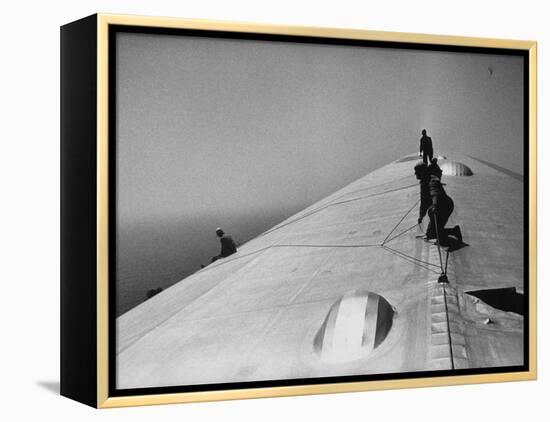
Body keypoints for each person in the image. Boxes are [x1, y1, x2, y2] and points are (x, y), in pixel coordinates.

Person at [425, 171, 463, 247]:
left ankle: (454, 232)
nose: (416, 174)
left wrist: (434, 205)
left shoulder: (432, 182)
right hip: (438, 207)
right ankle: (450, 231)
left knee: (437, 235)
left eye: (417, 172)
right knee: (430, 234)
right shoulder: (427, 181)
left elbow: (435, 194)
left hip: (444, 207)